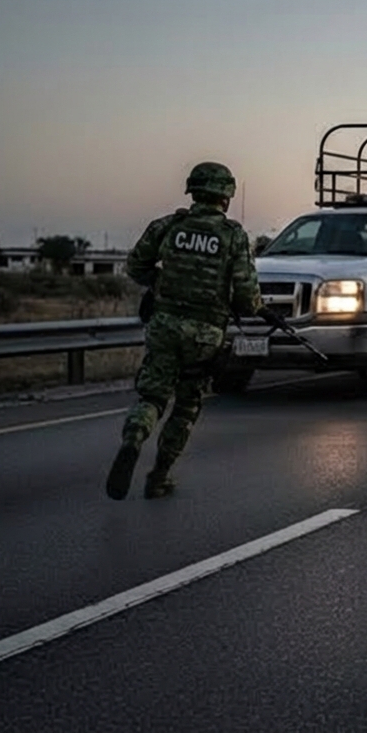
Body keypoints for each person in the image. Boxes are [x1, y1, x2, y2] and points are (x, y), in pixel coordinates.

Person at [105, 162, 280, 500]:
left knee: (153, 396)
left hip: (164, 325)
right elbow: (245, 294)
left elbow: (135, 265)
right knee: (186, 406)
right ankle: (158, 477)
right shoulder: (233, 235)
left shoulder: (169, 225)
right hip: (205, 334)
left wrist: (159, 282)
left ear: (194, 190)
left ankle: (133, 438)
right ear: (226, 195)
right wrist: (257, 309)